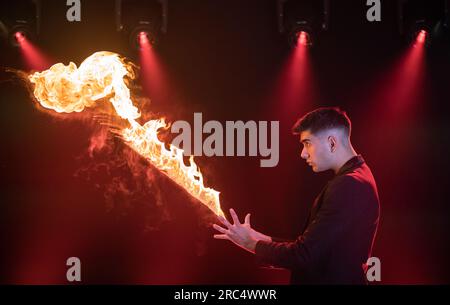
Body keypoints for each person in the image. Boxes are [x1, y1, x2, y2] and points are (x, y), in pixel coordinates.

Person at [213, 107, 380, 284]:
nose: (303, 153)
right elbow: (314, 247)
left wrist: (251, 244)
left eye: (307, 143)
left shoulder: (349, 185)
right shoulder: (360, 175)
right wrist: (258, 238)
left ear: (332, 143)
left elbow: (304, 255)